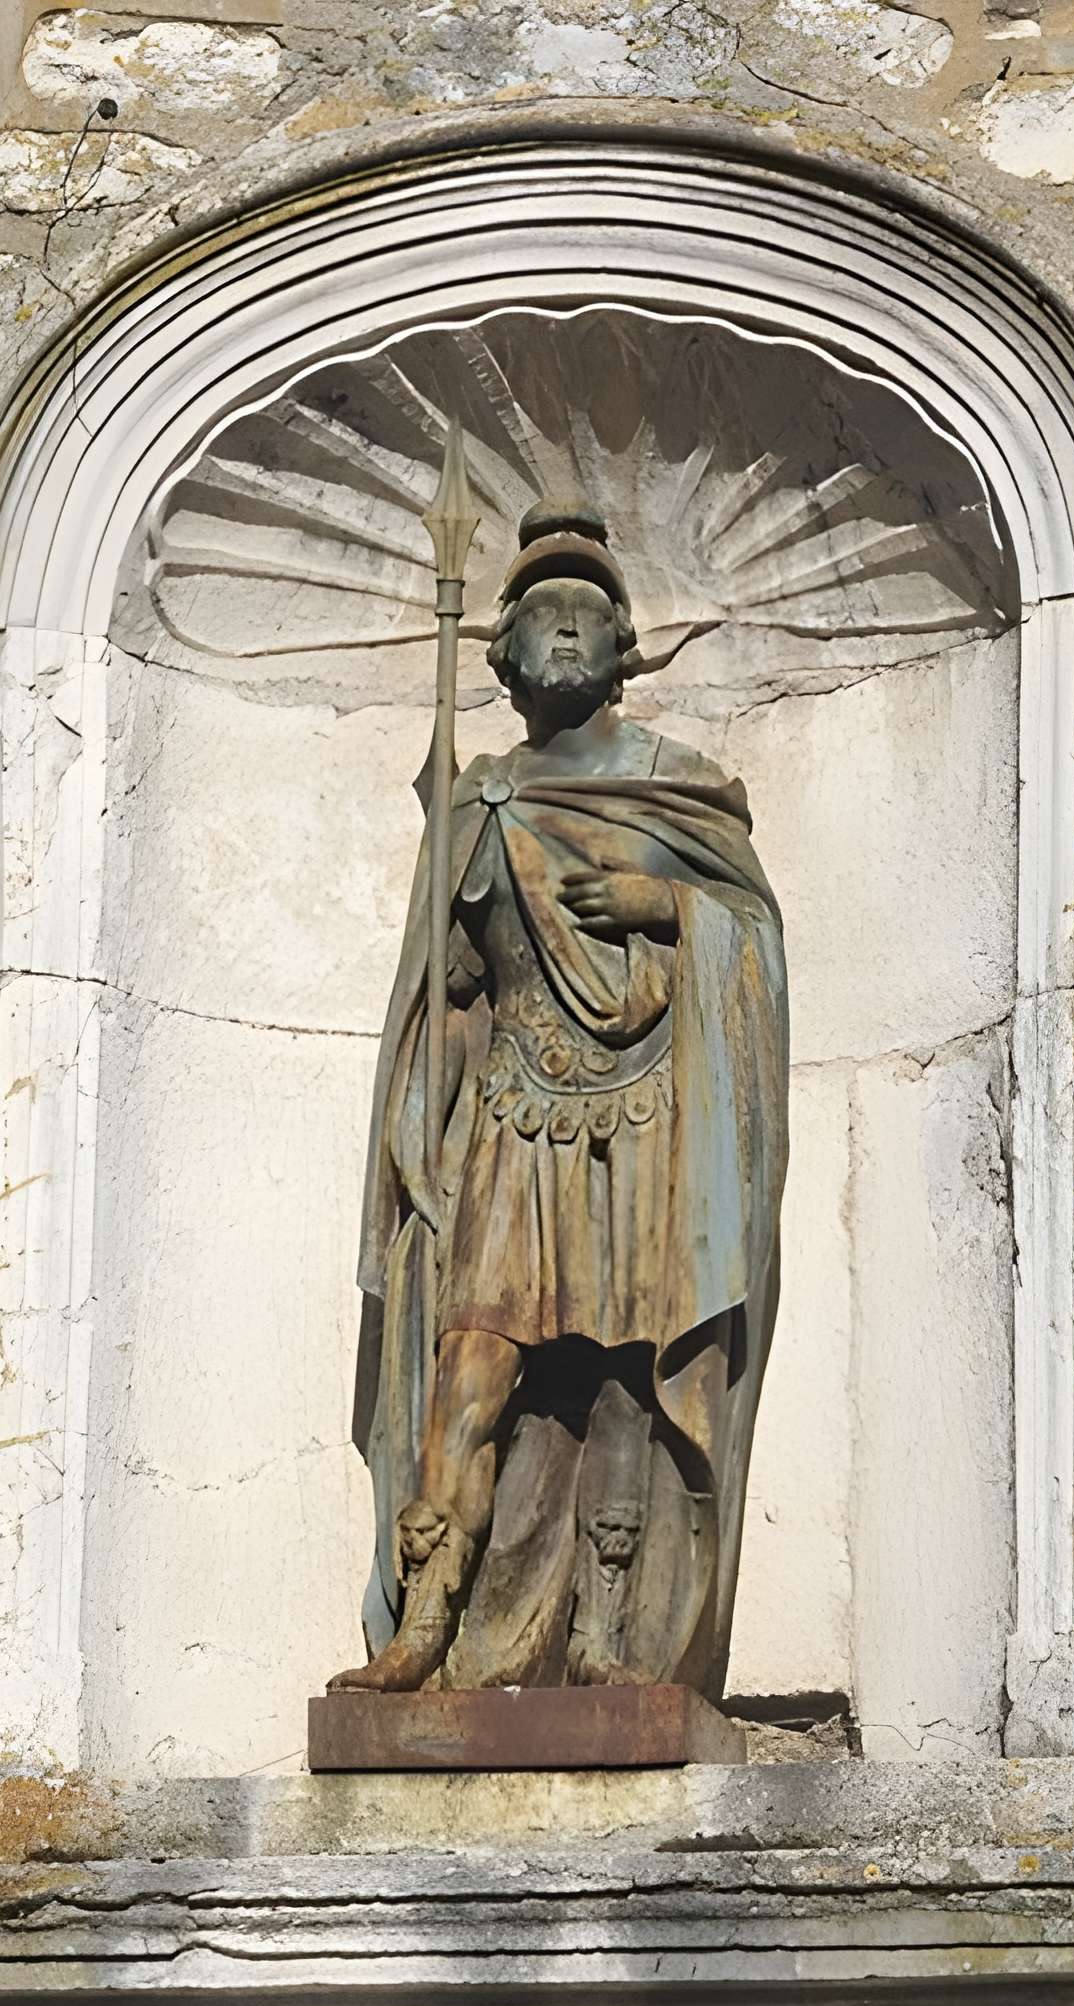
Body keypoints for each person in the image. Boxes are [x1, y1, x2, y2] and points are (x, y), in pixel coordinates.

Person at [331, 495, 789, 1697]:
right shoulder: (481, 800)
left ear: (628, 651)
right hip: (515, 1117)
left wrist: (672, 911)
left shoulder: (680, 792)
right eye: (547, 617)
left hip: (648, 1119)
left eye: (593, 615)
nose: (571, 632)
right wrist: (415, 1136)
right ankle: (427, 1614)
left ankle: (610, 1632)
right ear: (504, 656)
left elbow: (753, 943)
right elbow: (447, 990)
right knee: (470, 1364)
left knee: (630, 1372)